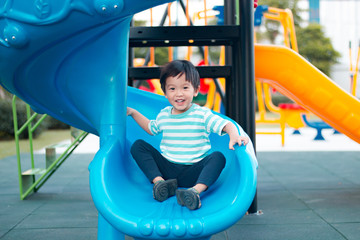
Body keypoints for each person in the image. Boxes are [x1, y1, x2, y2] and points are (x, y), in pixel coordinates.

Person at [127, 60, 249, 210]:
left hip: (194, 171)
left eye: (185, 87)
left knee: (218, 157)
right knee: (138, 146)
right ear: (165, 92)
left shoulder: (201, 114)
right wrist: (133, 112)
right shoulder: (164, 114)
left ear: (195, 90)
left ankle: (194, 191)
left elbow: (226, 124)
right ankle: (160, 184)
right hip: (168, 170)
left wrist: (234, 135)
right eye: (172, 88)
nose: (179, 93)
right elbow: (151, 128)